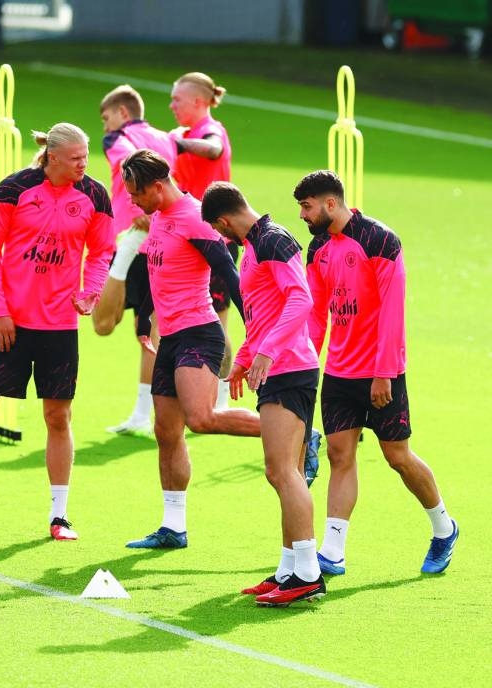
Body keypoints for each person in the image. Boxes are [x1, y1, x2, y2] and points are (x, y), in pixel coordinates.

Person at [0, 123, 113, 541]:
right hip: (9, 324)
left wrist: (92, 291)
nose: (84, 165)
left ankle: (59, 515)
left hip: (59, 327)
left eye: (86, 157)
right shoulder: (12, 190)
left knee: (57, 416)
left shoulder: (94, 196)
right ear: (52, 157)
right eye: (76, 158)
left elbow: (103, 249)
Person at [295, 170, 459, 575]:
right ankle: (333, 551)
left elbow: (392, 311)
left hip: (381, 374)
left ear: (330, 203)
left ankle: (444, 528)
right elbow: (316, 313)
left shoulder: (381, 241)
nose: (302, 215)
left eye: (307, 206)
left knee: (397, 456)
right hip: (338, 373)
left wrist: (384, 372)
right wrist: (305, 361)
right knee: (339, 455)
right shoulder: (317, 249)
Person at [119, 149, 260, 550]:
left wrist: (254, 333)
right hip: (171, 337)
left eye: (136, 194)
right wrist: (145, 316)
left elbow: (229, 274)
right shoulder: (160, 218)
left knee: (201, 419)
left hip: (199, 333)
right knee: (166, 431)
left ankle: (297, 434)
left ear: (158, 187)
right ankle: (173, 526)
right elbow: (154, 269)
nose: (132, 201)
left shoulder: (195, 219)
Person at [201, 182, 325, 606]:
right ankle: (290, 569)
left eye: (220, 232)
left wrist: (267, 352)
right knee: (282, 471)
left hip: (291, 370)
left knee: (283, 471)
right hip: (277, 368)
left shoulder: (273, 240)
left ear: (223, 221)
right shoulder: (256, 246)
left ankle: (307, 572)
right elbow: (262, 313)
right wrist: (246, 356)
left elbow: (300, 300)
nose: (223, 240)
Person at [92, 85, 178, 436]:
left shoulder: (116, 139)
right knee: (151, 331)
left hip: (135, 239)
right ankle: (146, 414)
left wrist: (136, 209)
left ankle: (145, 415)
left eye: (106, 117)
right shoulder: (166, 139)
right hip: (163, 241)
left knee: (104, 323)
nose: (105, 126)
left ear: (123, 113)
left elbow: (129, 161)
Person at [168, 72, 236, 409]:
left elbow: (214, 149)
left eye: (176, 100)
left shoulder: (210, 131)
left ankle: (221, 397)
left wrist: (177, 144)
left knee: (216, 320)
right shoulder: (183, 134)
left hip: (214, 240)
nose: (171, 106)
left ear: (198, 102)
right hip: (184, 240)